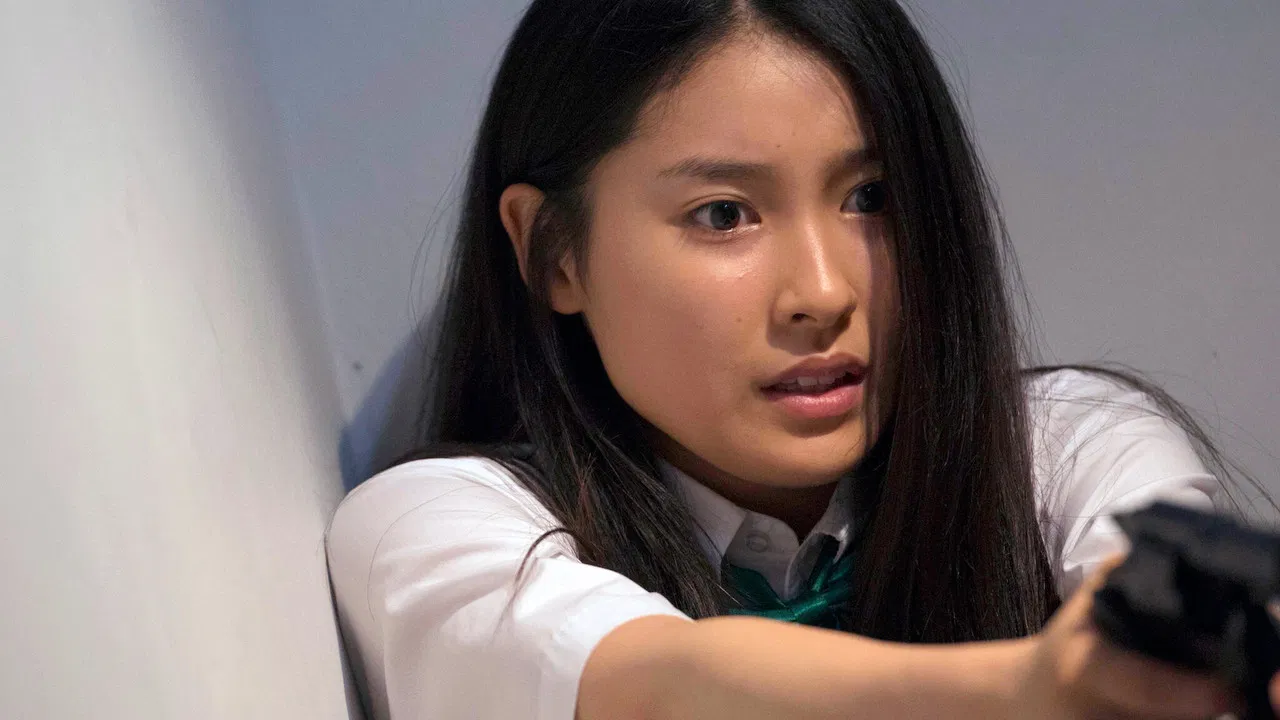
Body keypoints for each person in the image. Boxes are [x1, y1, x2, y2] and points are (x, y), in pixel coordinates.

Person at [325, 1, 1275, 718]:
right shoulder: (440, 528)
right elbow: (651, 683)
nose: (823, 292)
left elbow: (1139, 564)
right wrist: (1027, 686)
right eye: (723, 214)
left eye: (870, 197)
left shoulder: (1064, 446)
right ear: (552, 252)